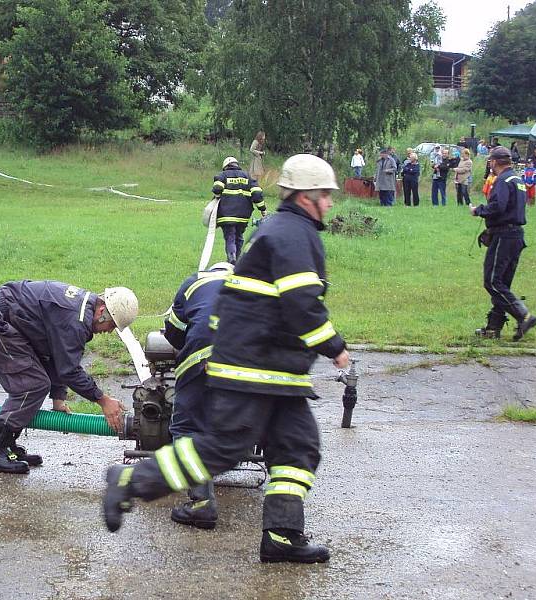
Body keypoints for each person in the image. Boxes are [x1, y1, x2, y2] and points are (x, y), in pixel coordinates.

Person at [103, 154, 350, 565]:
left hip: (275, 371)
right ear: (307, 196)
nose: (329, 203)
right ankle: (130, 480)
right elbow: (302, 302)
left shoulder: (286, 231)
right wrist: (334, 346)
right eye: (324, 194)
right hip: (254, 367)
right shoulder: (291, 233)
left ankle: (282, 537)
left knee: (297, 449)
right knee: (223, 447)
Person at [0, 280, 138, 473]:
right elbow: (69, 370)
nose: (109, 331)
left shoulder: (81, 311)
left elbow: (54, 354)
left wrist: (58, 397)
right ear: (102, 312)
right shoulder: (76, 320)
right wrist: (103, 400)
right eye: (112, 324)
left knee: (36, 382)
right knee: (32, 385)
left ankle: (6, 446)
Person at [162, 261, 234, 530]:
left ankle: (201, 504)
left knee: (187, 425)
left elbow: (173, 331)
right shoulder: (251, 281)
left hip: (206, 351)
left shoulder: (194, 281)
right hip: (252, 353)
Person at [469, 146, 536, 341]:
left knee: (492, 281)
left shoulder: (502, 180)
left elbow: (498, 207)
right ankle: (493, 327)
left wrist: (478, 211)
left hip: (504, 235)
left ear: (495, 162)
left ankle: (524, 316)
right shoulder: (518, 180)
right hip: (516, 235)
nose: (489, 164)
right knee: (502, 282)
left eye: (490, 161)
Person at [212, 156, 267, 264]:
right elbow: (257, 194)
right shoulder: (248, 176)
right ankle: (236, 259)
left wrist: (217, 196)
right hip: (243, 216)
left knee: (230, 236)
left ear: (225, 167)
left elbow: (217, 189)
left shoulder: (223, 175)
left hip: (226, 215)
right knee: (239, 237)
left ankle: (232, 258)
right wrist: (262, 209)